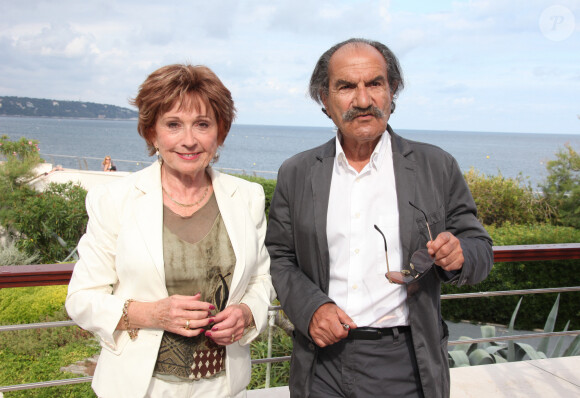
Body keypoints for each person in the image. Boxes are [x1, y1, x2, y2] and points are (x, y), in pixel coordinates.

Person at [265, 38, 493, 398]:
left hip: (405, 363)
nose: (362, 100)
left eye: (375, 83)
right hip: (320, 363)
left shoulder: (436, 166)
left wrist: (460, 252)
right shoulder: (296, 172)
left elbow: (480, 248)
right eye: (346, 87)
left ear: (392, 91)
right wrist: (311, 309)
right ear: (324, 100)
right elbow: (279, 257)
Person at [66, 64, 275, 398]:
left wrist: (247, 314)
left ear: (219, 132)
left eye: (202, 125)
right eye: (173, 125)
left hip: (224, 387)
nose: (189, 140)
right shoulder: (116, 200)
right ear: (152, 133)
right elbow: (80, 300)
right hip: (140, 388)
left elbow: (261, 280)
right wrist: (151, 313)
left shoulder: (247, 197)